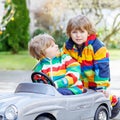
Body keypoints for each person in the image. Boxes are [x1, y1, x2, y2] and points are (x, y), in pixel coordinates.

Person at [62, 14, 120, 118]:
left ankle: (114, 101)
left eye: (82, 32)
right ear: (69, 33)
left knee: (100, 96)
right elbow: (64, 62)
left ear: (88, 32)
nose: (78, 35)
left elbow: (102, 68)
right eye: (74, 32)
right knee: (81, 99)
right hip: (79, 80)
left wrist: (101, 86)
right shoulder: (68, 47)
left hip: (95, 80)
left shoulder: (97, 47)